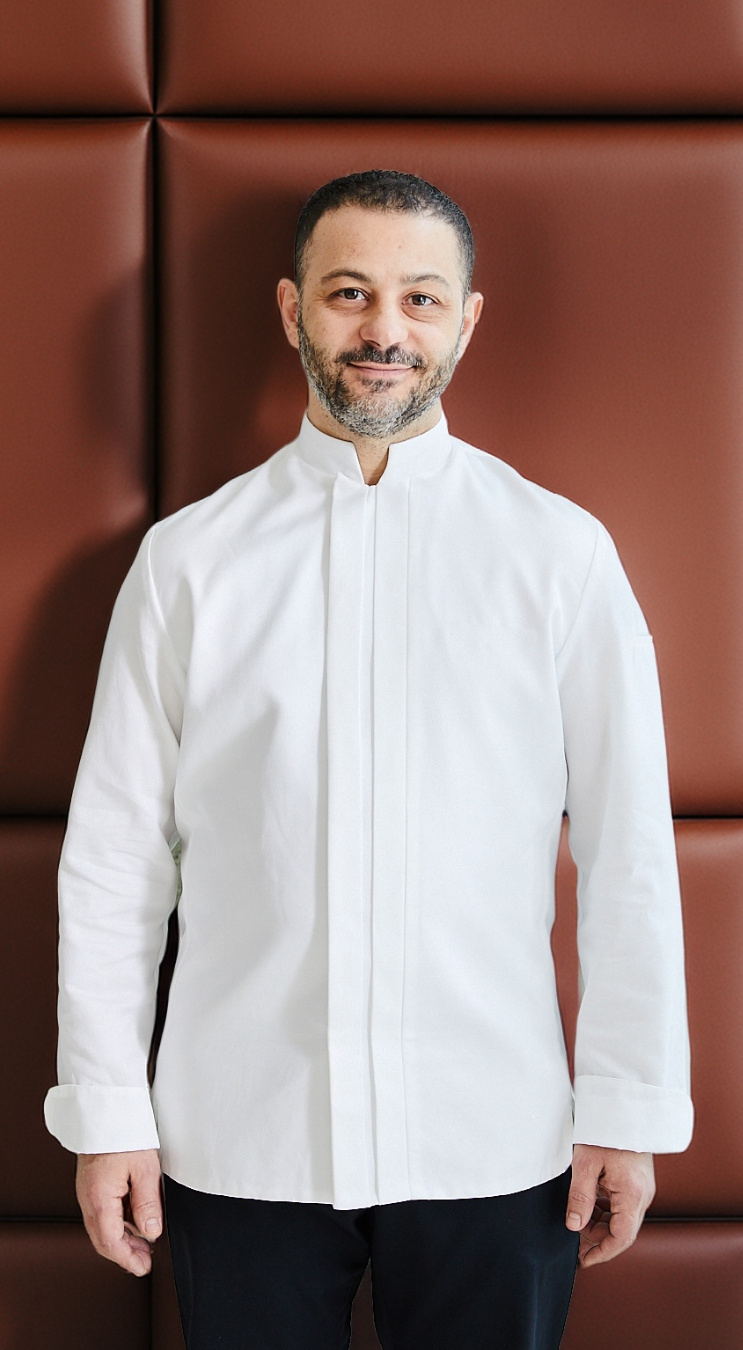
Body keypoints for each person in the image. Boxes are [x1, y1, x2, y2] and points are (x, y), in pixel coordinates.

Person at [44, 169, 693, 1348]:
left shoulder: (560, 556)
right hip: (238, 1139)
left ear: (466, 321)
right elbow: (114, 860)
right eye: (350, 293)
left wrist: (628, 1107)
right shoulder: (188, 564)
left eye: (419, 299)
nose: (384, 330)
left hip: (496, 1138)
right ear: (292, 309)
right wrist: (106, 1110)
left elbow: (630, 852)